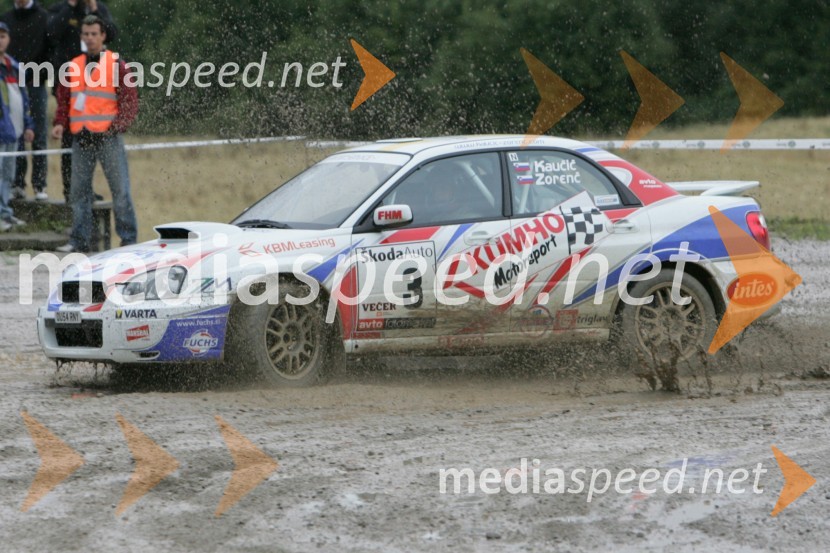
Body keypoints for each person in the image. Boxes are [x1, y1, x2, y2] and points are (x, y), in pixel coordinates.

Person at [51, 15, 137, 252]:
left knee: (120, 191)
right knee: (79, 193)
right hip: (81, 137)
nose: (89, 38)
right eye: (85, 34)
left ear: (103, 36)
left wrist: (118, 125)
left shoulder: (117, 65)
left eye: (93, 34)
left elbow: (129, 99)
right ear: (81, 36)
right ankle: (80, 241)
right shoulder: (73, 66)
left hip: (108, 137)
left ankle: (128, 241)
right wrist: (59, 123)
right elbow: (64, 100)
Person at [47, 0, 116, 201]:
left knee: (89, 139)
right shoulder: (59, 9)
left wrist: (94, 9)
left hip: (95, 84)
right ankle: (70, 189)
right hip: (68, 81)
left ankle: (86, 188)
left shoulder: (98, 8)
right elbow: (51, 34)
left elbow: (111, 33)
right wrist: (69, 6)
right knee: (70, 138)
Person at [2, 0, 50, 201]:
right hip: (11, 82)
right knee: (15, 132)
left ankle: (39, 184)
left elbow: (50, 50)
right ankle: (17, 183)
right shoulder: (6, 18)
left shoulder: (44, 17)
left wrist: (39, 74)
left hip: (36, 83)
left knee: (38, 134)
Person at [0, 21, 34, 232]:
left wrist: (28, 125)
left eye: (3, 36)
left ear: (9, 39)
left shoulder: (15, 66)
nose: (0, 40)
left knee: (8, 175)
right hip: (2, 131)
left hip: (14, 131)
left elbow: (24, 99)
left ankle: (5, 212)